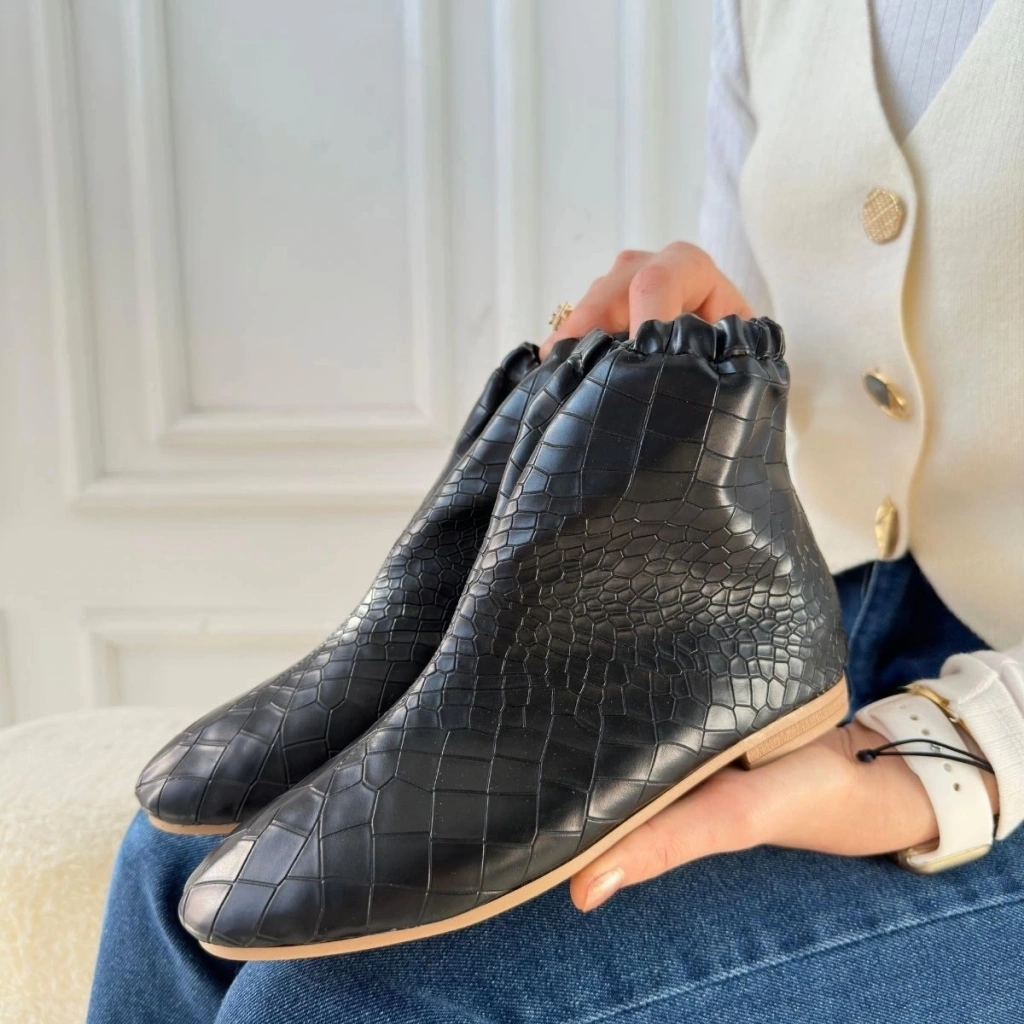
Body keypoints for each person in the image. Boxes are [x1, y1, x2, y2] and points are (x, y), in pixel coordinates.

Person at [87, 1, 1024, 1021]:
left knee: (340, 999)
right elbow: (779, 361)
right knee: (167, 868)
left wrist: (946, 754)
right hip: (793, 622)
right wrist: (667, 365)